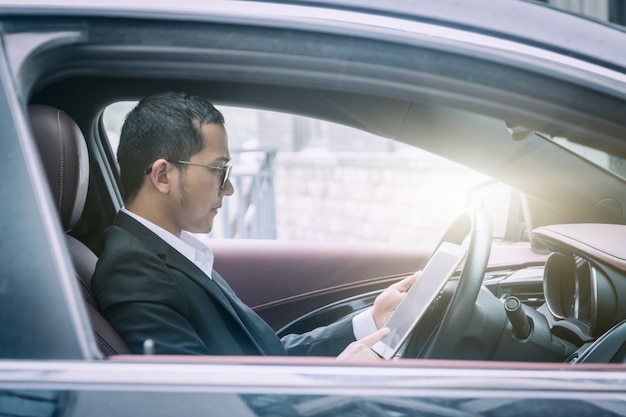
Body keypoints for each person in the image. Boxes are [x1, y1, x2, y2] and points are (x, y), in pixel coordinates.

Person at [91, 92, 419, 359]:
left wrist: (371, 321)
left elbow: (262, 357)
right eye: (219, 171)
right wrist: (335, 382)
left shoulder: (168, 253)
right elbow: (202, 402)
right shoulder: (132, 271)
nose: (229, 188)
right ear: (163, 176)